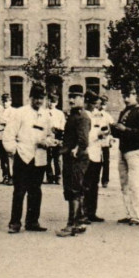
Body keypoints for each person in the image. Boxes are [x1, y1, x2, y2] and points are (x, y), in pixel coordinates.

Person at [3, 84, 55, 233]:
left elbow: (50, 135)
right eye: (36, 98)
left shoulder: (46, 115)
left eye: (41, 98)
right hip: (23, 155)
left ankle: (32, 222)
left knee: (36, 191)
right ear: (30, 97)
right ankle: (14, 223)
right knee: (19, 191)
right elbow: (8, 135)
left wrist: (48, 142)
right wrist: (14, 151)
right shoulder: (20, 113)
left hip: (39, 158)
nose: (38, 101)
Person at [111, 84, 139, 226]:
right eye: (124, 96)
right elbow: (118, 133)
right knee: (124, 184)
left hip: (135, 151)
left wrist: (125, 129)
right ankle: (129, 213)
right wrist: (114, 128)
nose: (126, 99)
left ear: (135, 96)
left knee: (134, 184)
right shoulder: (123, 112)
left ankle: (136, 216)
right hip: (123, 150)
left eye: (129, 95)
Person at [57, 85, 90, 238]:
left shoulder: (82, 117)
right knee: (77, 189)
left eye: (75, 97)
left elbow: (83, 140)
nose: (71, 99)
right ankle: (81, 221)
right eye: (70, 96)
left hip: (76, 159)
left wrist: (74, 149)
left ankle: (72, 225)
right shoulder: (73, 115)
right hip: (71, 156)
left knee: (73, 190)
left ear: (82, 99)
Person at [82, 90, 107, 224]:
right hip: (87, 153)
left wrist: (105, 134)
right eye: (92, 104)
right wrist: (98, 135)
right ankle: (83, 213)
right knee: (86, 184)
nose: (95, 107)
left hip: (97, 153)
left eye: (96, 104)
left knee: (94, 184)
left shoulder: (97, 115)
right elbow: (85, 135)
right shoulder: (84, 115)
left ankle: (92, 212)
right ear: (86, 102)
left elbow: (102, 128)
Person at [44, 94, 66, 184]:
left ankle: (58, 177)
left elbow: (63, 125)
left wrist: (59, 132)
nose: (50, 104)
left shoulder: (59, 113)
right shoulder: (43, 112)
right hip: (47, 136)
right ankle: (49, 176)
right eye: (49, 101)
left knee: (57, 158)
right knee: (47, 158)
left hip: (57, 136)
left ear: (56, 103)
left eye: (53, 102)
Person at [97, 96, 115, 189]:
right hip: (95, 141)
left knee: (106, 161)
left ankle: (105, 180)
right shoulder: (94, 114)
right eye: (101, 104)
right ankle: (95, 179)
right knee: (96, 160)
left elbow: (111, 127)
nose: (103, 106)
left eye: (104, 104)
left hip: (105, 141)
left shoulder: (107, 115)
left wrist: (109, 134)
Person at [0, 94, 15, 185]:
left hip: (8, 137)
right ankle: (5, 176)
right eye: (3, 101)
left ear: (10, 102)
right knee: (2, 158)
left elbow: (12, 123)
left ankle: (12, 177)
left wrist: (3, 122)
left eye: (7, 101)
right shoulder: (0, 111)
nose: (5, 103)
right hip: (0, 136)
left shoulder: (13, 111)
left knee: (9, 158)